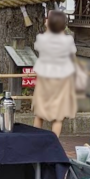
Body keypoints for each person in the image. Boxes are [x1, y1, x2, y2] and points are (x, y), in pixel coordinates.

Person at [31, 9, 77, 137]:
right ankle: (54, 143)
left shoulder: (42, 38)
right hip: (62, 80)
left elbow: (38, 46)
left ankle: (36, 142)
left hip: (45, 79)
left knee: (39, 113)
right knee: (58, 117)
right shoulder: (68, 40)